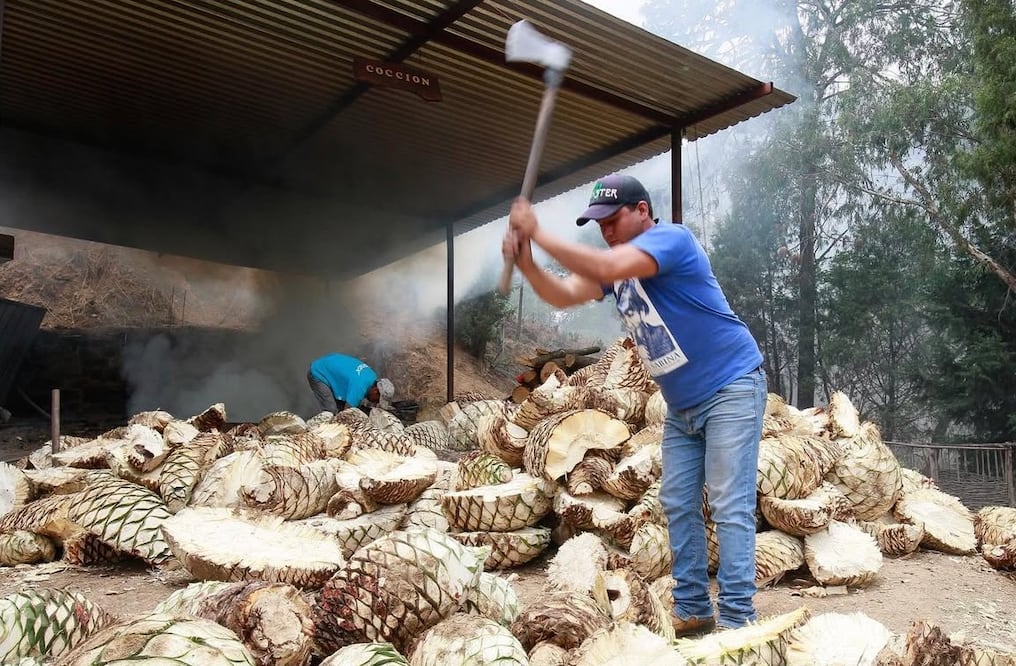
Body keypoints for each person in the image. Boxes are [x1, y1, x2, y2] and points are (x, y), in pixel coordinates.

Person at [502, 174, 766, 635]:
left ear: (642, 210)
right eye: (598, 224)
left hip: (731, 386)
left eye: (612, 219)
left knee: (728, 502)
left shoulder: (672, 240)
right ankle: (693, 607)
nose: (605, 231)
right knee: (679, 502)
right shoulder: (616, 270)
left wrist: (539, 232)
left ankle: (739, 619)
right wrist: (526, 261)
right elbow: (563, 293)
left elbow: (607, 265)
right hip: (683, 407)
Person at [307, 353, 394, 414]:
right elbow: (346, 414)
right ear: (375, 391)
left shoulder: (372, 376)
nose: (375, 403)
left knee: (341, 407)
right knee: (331, 411)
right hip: (319, 372)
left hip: (331, 364)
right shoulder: (359, 387)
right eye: (377, 400)